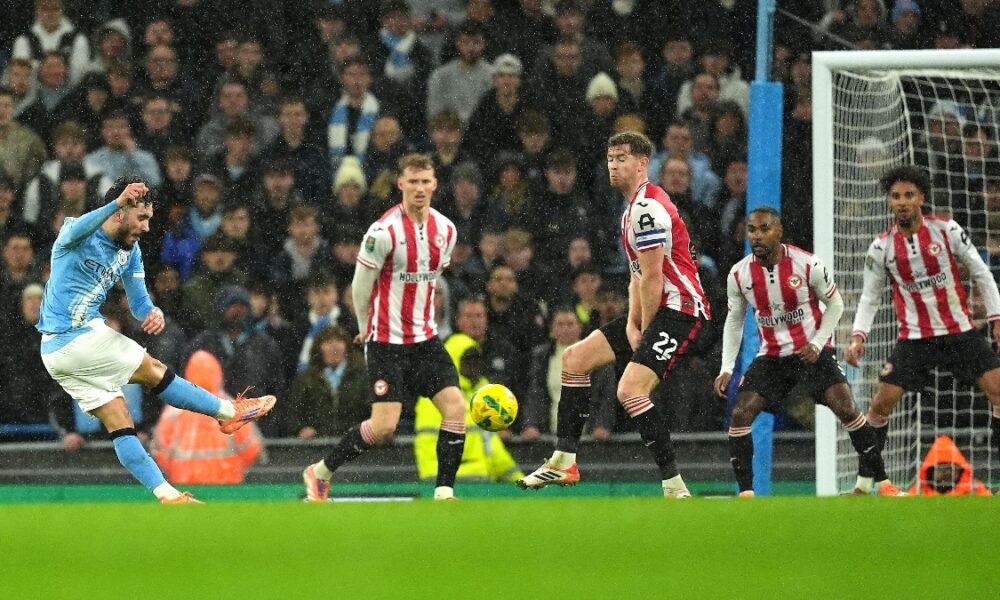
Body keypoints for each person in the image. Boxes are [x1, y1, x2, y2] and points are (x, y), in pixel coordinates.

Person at [35, 176, 277, 504]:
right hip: (72, 338)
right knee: (152, 369)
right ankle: (226, 412)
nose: (146, 228)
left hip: (58, 354)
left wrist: (153, 311)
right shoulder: (78, 233)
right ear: (119, 212)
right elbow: (79, 229)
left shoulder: (129, 251)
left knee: (119, 419)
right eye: (142, 218)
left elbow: (138, 303)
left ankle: (166, 494)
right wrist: (116, 202)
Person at [517, 131, 711, 498]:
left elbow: (654, 277)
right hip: (657, 308)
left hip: (679, 310)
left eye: (622, 158)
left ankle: (675, 486)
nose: (613, 164)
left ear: (642, 164)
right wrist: (633, 323)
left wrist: (646, 326)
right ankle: (563, 461)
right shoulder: (632, 208)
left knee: (629, 390)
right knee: (574, 359)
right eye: (610, 158)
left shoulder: (647, 209)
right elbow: (637, 277)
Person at [302, 153, 467, 502]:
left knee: (455, 407)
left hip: (425, 339)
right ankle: (320, 471)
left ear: (435, 184)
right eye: (413, 181)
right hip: (386, 341)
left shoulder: (446, 230)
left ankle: (444, 491)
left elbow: (432, 279)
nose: (420, 188)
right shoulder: (382, 232)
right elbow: (360, 287)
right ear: (401, 184)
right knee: (384, 425)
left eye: (426, 181)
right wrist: (365, 328)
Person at [713, 207, 903, 497]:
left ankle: (884, 483)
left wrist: (817, 343)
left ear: (779, 231)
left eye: (765, 229)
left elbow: (835, 305)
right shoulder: (739, 274)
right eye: (752, 230)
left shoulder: (807, 263)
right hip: (772, 357)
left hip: (812, 352)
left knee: (847, 408)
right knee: (740, 413)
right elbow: (735, 319)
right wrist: (727, 367)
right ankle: (746, 494)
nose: (758, 236)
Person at [846, 165, 1000, 495]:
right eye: (896, 196)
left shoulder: (947, 231)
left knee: (998, 391)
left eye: (909, 196)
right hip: (915, 337)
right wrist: (859, 336)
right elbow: (870, 297)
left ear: (921, 199)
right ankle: (865, 484)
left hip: (959, 330)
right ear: (889, 202)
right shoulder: (881, 247)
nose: (902, 202)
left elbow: (982, 273)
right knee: (880, 404)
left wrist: (997, 318)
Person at [152, 350, 263, 485]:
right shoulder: (232, 408)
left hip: (185, 484)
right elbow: (251, 449)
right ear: (218, 373)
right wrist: (234, 468)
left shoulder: (174, 410)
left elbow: (160, 451)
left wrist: (178, 470)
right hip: (227, 485)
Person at [908, 435, 992, 496]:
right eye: (942, 469)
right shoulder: (918, 492)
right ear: (931, 471)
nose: (948, 473)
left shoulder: (976, 490)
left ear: (960, 470)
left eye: (952, 468)